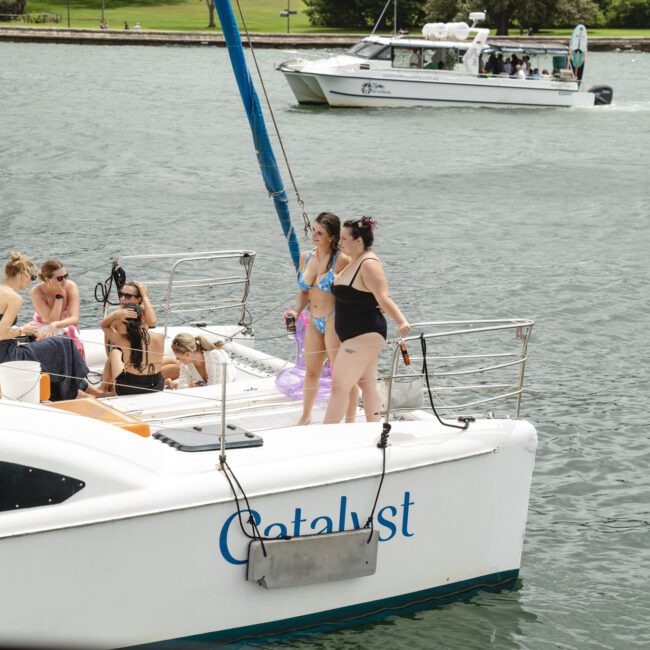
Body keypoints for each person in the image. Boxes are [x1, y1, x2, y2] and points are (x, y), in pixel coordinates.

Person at [324, 218, 411, 424]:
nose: (340, 242)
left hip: (365, 333)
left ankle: (326, 434)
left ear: (359, 240)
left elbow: (383, 297)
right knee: (367, 384)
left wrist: (401, 322)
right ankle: (376, 428)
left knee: (339, 387)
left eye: (345, 238)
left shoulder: (369, 263)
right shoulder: (352, 260)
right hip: (352, 334)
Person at [284, 212, 356, 426]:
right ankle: (305, 416)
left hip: (333, 318)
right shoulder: (305, 257)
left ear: (332, 237)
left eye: (320, 233)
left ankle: (350, 420)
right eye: (313, 231)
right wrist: (296, 312)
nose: (314, 236)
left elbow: (356, 287)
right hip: (313, 319)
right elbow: (303, 291)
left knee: (341, 374)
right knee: (311, 370)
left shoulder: (342, 260)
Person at [0, 252, 94, 401]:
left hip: (5, 349)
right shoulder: (13, 298)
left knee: (53, 344)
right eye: (31, 278)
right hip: (7, 355)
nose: (31, 282)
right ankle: (76, 392)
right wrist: (22, 330)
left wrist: (21, 330)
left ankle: (77, 390)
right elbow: (1, 334)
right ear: (22, 276)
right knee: (63, 343)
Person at [99, 281, 157, 392]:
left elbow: (152, 321)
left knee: (174, 364)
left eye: (128, 296)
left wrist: (144, 295)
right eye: (121, 294)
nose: (122, 299)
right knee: (115, 354)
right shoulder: (116, 316)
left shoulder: (143, 314)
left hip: (142, 363)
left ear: (138, 299)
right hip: (124, 363)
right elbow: (108, 346)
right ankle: (105, 388)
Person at [101, 301, 164, 396]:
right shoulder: (160, 337)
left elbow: (104, 325)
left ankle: (103, 388)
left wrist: (114, 316)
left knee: (115, 352)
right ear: (143, 317)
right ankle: (104, 388)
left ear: (123, 323)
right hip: (156, 386)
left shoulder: (123, 340)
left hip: (128, 388)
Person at [30, 258, 85, 359]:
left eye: (66, 276)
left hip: (63, 324)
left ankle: (75, 366)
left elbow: (75, 319)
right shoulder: (36, 291)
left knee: (70, 330)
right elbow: (51, 320)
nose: (64, 280)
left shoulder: (71, 286)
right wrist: (59, 295)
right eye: (60, 278)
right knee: (58, 333)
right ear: (47, 279)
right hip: (42, 325)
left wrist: (56, 324)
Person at [165, 333, 234, 389]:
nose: (177, 359)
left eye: (178, 357)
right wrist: (188, 386)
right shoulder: (185, 365)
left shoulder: (214, 356)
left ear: (187, 354)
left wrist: (188, 386)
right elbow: (182, 385)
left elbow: (213, 388)